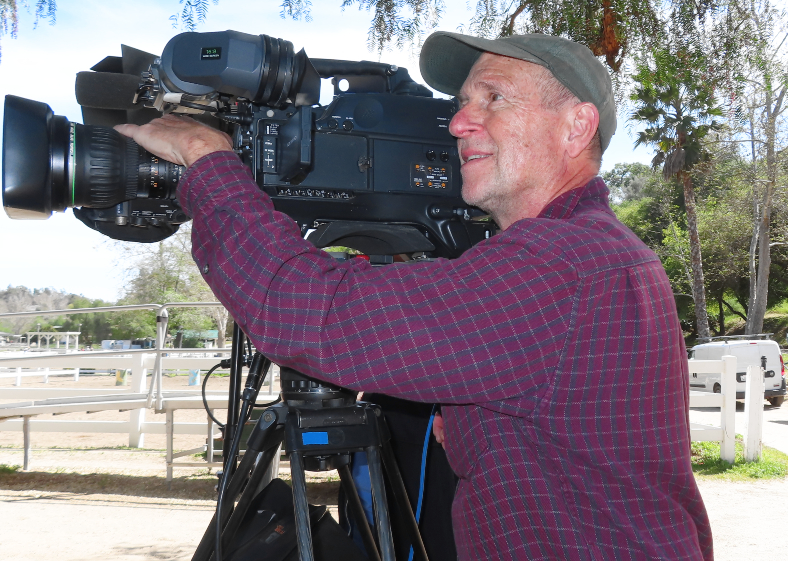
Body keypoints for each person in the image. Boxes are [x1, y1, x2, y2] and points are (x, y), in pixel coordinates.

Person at [117, 31, 713, 560]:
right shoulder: (589, 251)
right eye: (462, 104)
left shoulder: (559, 266)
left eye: (494, 99)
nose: (459, 123)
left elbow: (307, 313)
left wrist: (207, 160)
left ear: (576, 125)